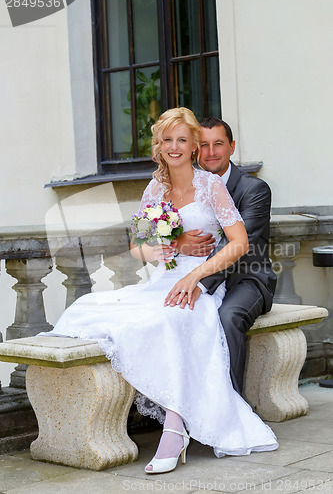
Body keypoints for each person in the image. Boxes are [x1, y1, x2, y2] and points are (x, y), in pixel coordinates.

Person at [39, 108, 278, 474]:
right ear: (159, 145)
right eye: (167, 139)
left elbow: (239, 243)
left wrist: (194, 276)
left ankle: (175, 425)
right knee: (94, 309)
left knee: (172, 320)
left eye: (182, 139)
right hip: (163, 279)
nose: (174, 146)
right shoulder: (155, 188)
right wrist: (174, 247)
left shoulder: (210, 185)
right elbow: (139, 248)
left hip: (200, 283)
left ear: (194, 146)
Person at [171, 117, 277, 394]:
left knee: (225, 316)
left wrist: (199, 282)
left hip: (247, 279)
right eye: (203, 145)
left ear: (231, 147)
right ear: (195, 149)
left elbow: (240, 243)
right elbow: (165, 232)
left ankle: (232, 405)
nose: (210, 153)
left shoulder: (254, 190)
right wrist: (179, 241)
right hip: (192, 274)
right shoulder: (186, 185)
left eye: (218, 144)